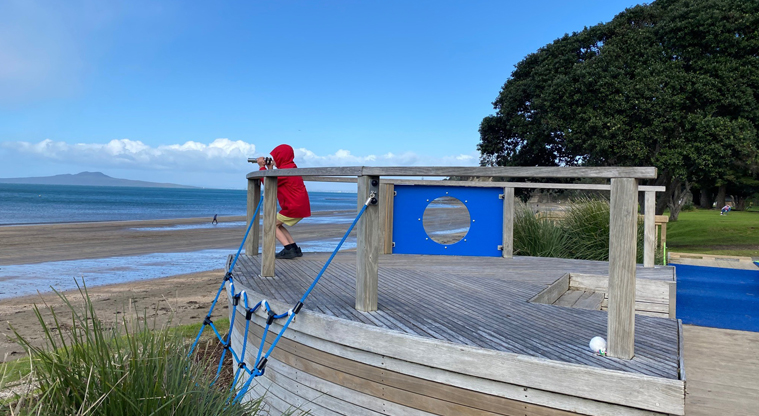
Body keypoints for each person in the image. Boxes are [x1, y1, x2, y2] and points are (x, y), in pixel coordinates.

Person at [257, 144, 311, 259]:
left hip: (293, 207)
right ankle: (294, 248)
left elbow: (268, 183)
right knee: (277, 225)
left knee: (270, 225)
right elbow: (273, 180)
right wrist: (270, 169)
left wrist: (262, 167)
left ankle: (288, 249)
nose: (274, 160)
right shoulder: (291, 169)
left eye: (275, 157)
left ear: (281, 157)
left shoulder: (285, 172)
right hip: (299, 206)